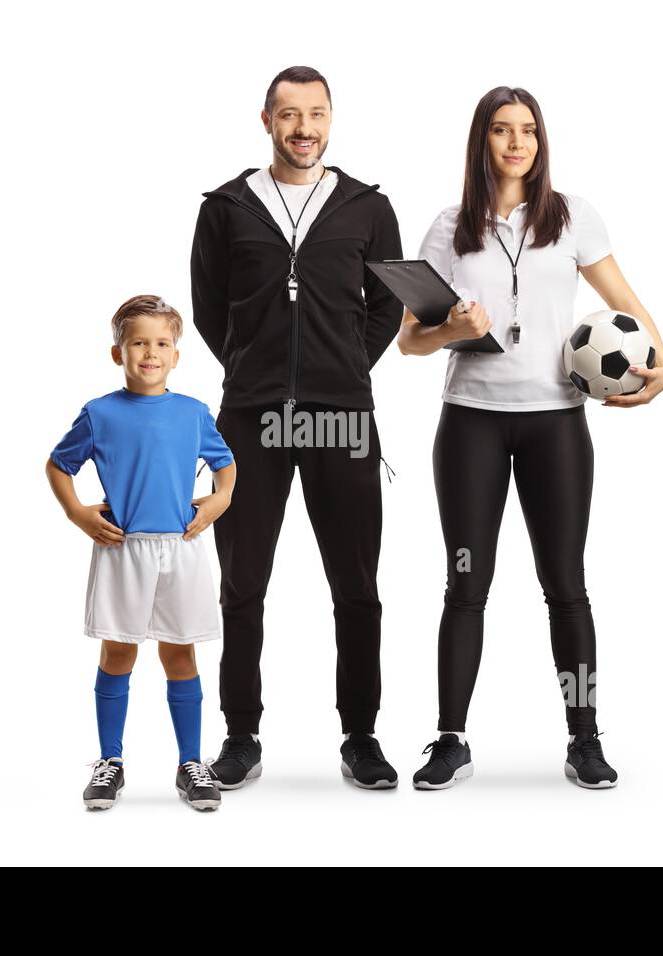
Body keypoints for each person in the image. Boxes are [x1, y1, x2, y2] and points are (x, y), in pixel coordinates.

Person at [397, 86, 663, 790]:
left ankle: (585, 738)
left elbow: (626, 304)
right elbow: (409, 342)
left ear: (540, 141)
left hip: (556, 423)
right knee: (466, 585)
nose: (517, 143)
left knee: (567, 585)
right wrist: (452, 330)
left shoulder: (572, 216)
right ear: (481, 141)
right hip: (471, 424)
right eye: (501, 130)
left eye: (527, 131)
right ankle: (450, 739)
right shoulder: (449, 225)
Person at [189, 66, 405, 789]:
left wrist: (343, 372)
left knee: (357, 584)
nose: (303, 128)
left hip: (341, 417)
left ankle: (361, 735)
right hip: (252, 419)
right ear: (266, 121)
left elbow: (387, 307)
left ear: (331, 120)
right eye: (289, 115)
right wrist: (256, 374)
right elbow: (209, 309)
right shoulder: (225, 206)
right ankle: (241, 734)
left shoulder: (368, 208)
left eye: (315, 114)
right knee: (242, 583)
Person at [45, 294, 238, 811]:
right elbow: (58, 465)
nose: (149, 353)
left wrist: (218, 501)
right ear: (118, 353)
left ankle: (191, 764)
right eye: (138, 343)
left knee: (180, 653)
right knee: (118, 652)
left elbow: (225, 465)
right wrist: (78, 513)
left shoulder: (193, 413)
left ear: (177, 354)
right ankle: (110, 762)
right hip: (122, 548)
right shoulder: (100, 413)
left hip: (182, 548)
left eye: (161, 344)